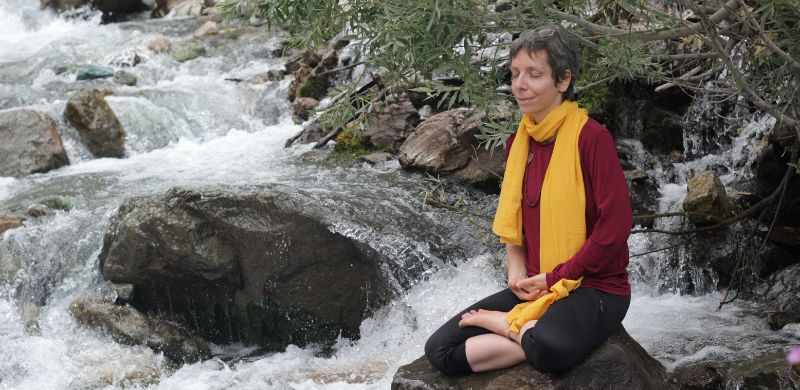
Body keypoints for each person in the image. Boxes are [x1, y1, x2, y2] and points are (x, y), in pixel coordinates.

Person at [424, 25, 633, 375]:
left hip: (595, 288)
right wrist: (517, 266)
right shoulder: (519, 143)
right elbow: (516, 219)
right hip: (537, 286)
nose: (519, 85)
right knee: (440, 349)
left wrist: (557, 276)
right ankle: (527, 334)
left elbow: (616, 226)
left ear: (563, 80)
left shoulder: (591, 139)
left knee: (552, 349)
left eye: (534, 75)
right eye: (515, 73)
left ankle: (509, 326)